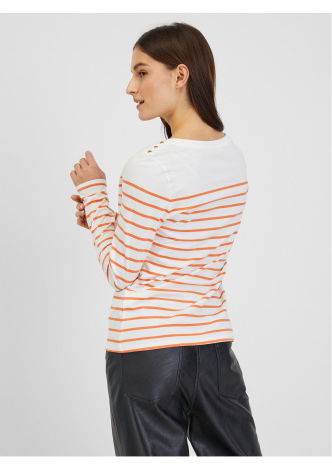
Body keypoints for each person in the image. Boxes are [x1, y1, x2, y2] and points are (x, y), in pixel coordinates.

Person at [69, 22, 262, 457]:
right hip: (213, 351)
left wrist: (95, 196)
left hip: (145, 352)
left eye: (141, 72)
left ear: (180, 75)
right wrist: (110, 221)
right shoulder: (233, 157)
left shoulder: (150, 166)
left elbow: (121, 272)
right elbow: (181, 242)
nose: (130, 87)